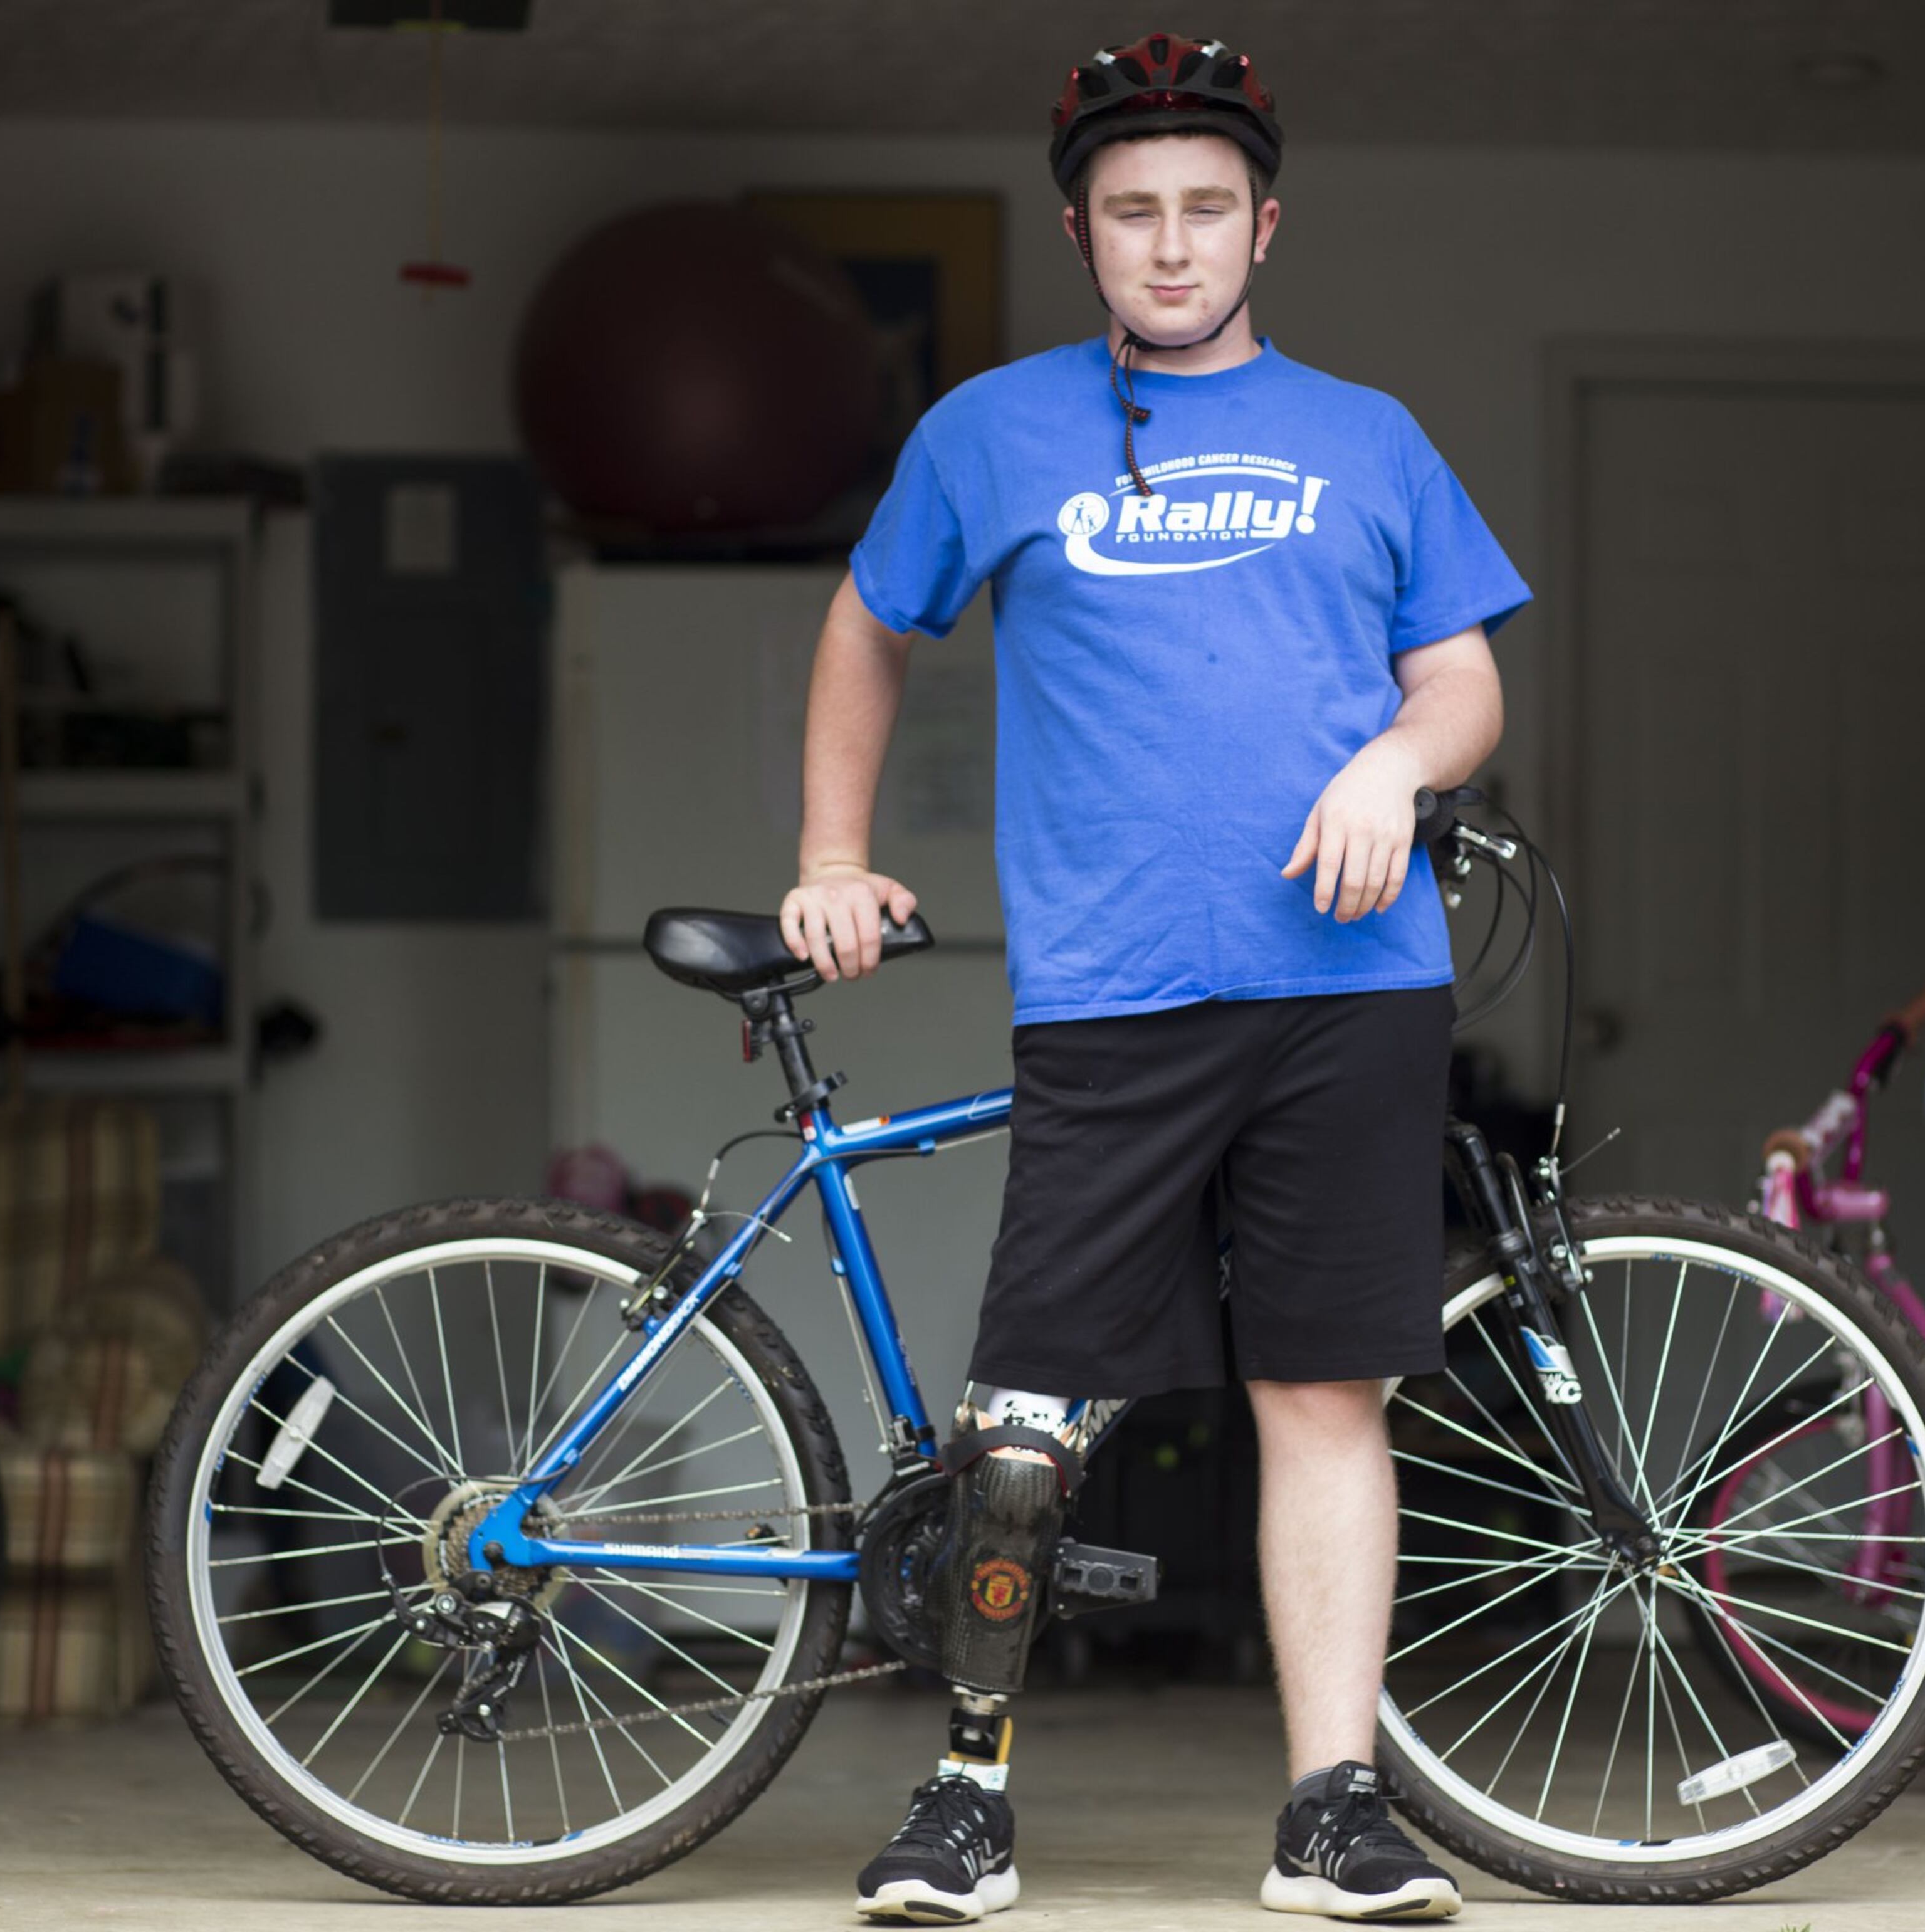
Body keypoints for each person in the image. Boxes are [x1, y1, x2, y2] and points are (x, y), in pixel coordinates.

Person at [776, 31, 1529, 1924]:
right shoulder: (993, 431)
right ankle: (966, 1796)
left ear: (1265, 225)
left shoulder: (1371, 438)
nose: (1171, 245)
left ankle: (1333, 1808)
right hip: (1112, 986)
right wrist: (830, 855)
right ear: (1080, 232)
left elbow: (1463, 681)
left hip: (1352, 990)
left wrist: (1394, 761)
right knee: (1030, 1406)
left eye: (1206, 210)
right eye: (1134, 214)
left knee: (1321, 1391)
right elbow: (869, 624)